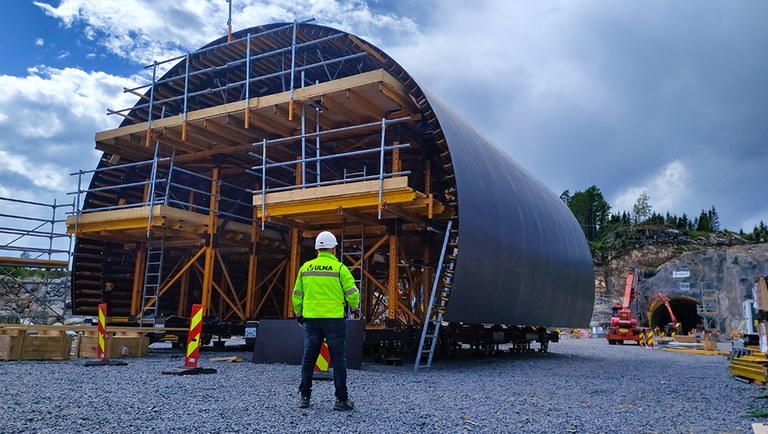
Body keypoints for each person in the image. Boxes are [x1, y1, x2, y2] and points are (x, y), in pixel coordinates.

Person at [293, 230, 360, 411]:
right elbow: (353, 293)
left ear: (317, 249)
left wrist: (299, 314)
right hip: (334, 321)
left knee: (309, 358)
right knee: (338, 358)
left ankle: (304, 398)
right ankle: (341, 400)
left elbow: (297, 294)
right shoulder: (340, 269)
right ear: (334, 249)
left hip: (312, 320)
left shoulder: (305, 268)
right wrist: (354, 308)